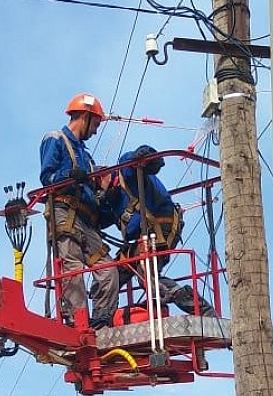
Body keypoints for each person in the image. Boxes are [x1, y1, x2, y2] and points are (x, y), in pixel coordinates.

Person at [40, 93, 119, 329]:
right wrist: (68, 176)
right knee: (72, 268)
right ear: (84, 117)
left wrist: (106, 192)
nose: (95, 131)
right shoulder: (55, 139)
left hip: (87, 219)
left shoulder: (87, 157)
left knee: (108, 269)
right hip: (65, 211)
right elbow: (47, 177)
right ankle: (79, 321)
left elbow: (96, 193)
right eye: (95, 124)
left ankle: (101, 320)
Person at [110, 145, 216, 317]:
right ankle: (106, 316)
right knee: (115, 271)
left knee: (147, 275)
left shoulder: (124, 175)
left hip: (160, 228)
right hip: (147, 233)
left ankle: (198, 307)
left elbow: (130, 161)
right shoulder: (113, 199)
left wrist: (144, 154)